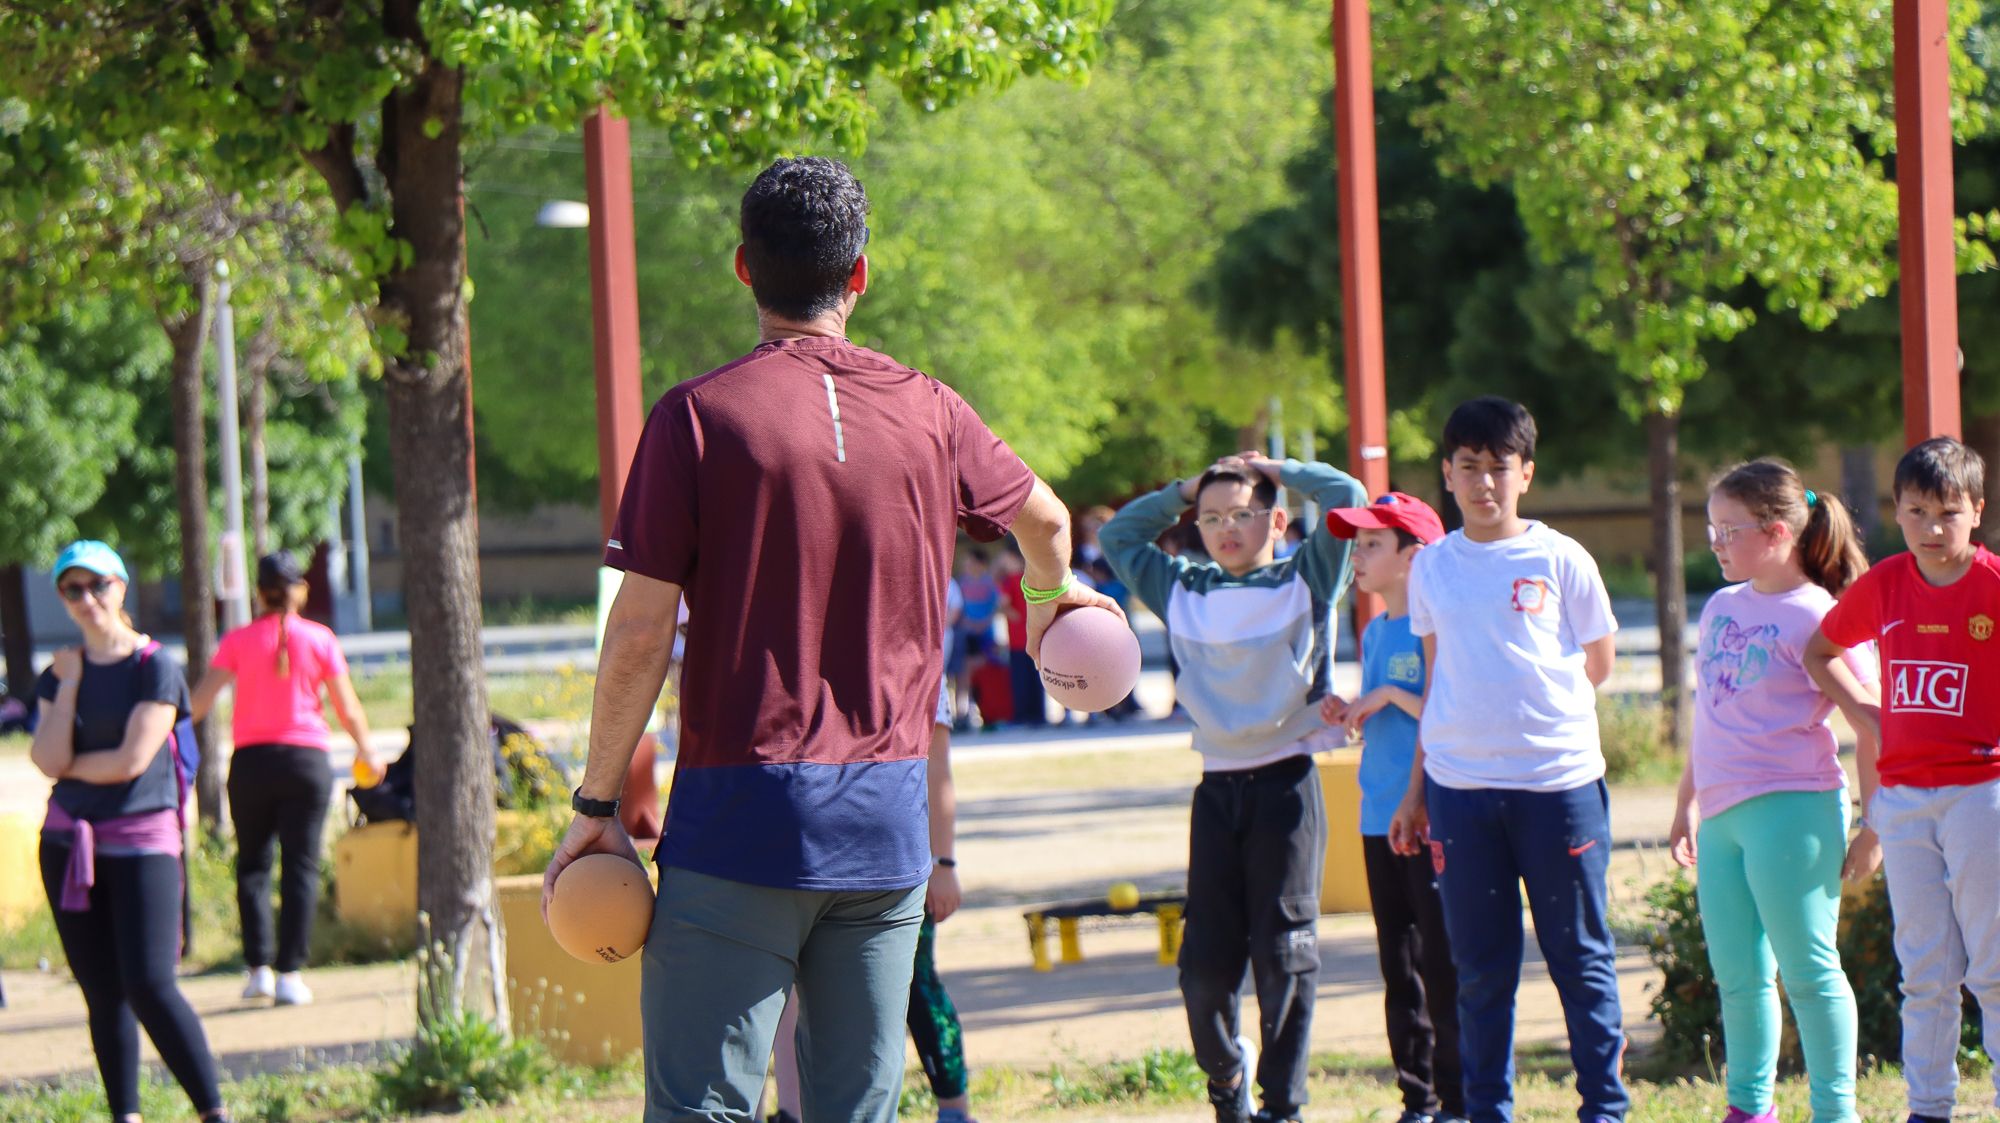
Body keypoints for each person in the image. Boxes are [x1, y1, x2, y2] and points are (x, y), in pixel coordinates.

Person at [539, 156, 1118, 1123]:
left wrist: (598, 800)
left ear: (741, 269)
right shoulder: (933, 409)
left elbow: (639, 631)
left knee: (702, 1108)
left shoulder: (698, 415)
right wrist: (1052, 609)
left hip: (738, 819)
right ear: (860, 275)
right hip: (885, 828)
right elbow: (1048, 524)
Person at [1101, 449, 1365, 1123]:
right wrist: (1185, 490)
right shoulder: (1180, 586)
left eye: (1242, 515)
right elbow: (1118, 536)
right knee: (1204, 970)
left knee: (1285, 958)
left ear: (1276, 520)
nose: (1225, 528)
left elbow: (1346, 490)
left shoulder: (1310, 575)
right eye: (1211, 517)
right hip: (1216, 792)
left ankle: (1284, 1104)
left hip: (1287, 785)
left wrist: (1274, 464)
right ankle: (1227, 1084)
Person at [1386, 397, 1627, 1123]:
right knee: (1481, 970)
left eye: (1499, 468)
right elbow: (1438, 679)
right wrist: (1416, 790)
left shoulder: (1561, 556)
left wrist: (1535, 720)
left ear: (1526, 471)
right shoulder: (1431, 567)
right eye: (1469, 468)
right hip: (1461, 793)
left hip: (1558, 788)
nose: (1484, 483)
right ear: (1447, 476)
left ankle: (1605, 1109)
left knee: (1579, 958)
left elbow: (1599, 662)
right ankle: (1489, 1111)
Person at [1665, 460, 1875, 1123]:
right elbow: (1710, 714)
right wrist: (1684, 804)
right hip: (1723, 815)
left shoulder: (1821, 612)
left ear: (1778, 530)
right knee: (1740, 975)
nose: (1717, 543)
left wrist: (1875, 827)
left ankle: (1834, 1113)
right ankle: (1750, 1108)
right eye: (1711, 529)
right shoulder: (1722, 607)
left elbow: (1871, 723)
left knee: (1810, 972)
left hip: (1795, 808)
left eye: (1729, 530)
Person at [1805, 436, 2000, 1123]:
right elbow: (1820, 649)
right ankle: (1929, 1107)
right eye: (1916, 511)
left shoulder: (1993, 586)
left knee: (1994, 966)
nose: (1931, 527)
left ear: (1976, 510)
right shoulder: (1884, 583)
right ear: (1898, 510)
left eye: (1948, 511)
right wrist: (1864, 711)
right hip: (1903, 799)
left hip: (1982, 792)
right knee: (1924, 969)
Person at [29, 540, 231, 1123]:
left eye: (99, 585)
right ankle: (126, 1115)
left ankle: (214, 1112)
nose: (87, 598)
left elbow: (129, 762)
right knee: (101, 992)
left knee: (149, 984)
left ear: (122, 587)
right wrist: (68, 686)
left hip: (142, 843)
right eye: (73, 588)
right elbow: (46, 759)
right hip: (69, 843)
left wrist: (70, 764)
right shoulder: (59, 672)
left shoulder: (155, 667)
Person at [766, 677, 980, 1123]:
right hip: (810, 856)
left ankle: (954, 1109)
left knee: (915, 988)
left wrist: (944, 864)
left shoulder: (919, 656)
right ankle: (791, 1111)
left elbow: (936, 766)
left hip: (898, 864)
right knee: (789, 992)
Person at [1321, 493, 1464, 1123]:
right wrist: (1353, 710)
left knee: (1443, 962)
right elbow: (1390, 712)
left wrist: (1386, 694)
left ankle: (1461, 1098)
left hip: (1431, 815)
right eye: (1357, 543)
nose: (1358, 555)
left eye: (1373, 544)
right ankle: (1419, 1098)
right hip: (1376, 816)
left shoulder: (1439, 628)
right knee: (1398, 966)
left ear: (1414, 556)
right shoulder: (1375, 629)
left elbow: (1445, 708)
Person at [191, 552, 379, 1007]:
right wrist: (366, 747)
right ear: (300, 591)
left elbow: (199, 702)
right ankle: (291, 973)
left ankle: (258, 970)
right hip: (306, 762)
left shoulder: (238, 640)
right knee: (300, 867)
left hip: (252, 764)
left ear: (259, 592)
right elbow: (346, 706)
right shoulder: (320, 638)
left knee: (253, 865)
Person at [996, 540, 1047, 727]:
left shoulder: (1009, 581)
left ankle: (1021, 715)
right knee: (1036, 679)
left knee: (1019, 680)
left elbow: (1006, 606)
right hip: (1036, 637)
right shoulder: (1032, 578)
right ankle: (1039, 716)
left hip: (1018, 641)